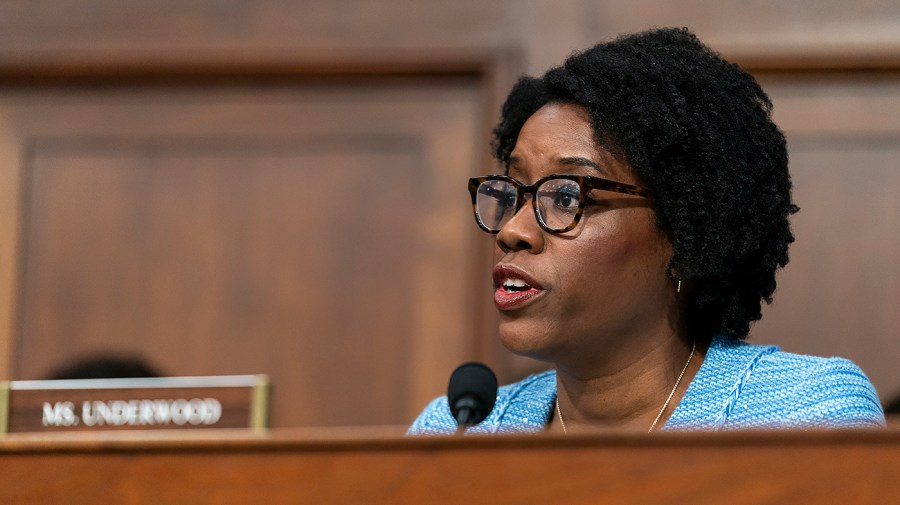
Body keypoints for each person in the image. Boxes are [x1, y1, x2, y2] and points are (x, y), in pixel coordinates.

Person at [409, 27, 885, 435]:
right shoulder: (460, 430)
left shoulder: (805, 412)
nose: (512, 230)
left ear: (685, 233)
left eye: (566, 197)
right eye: (513, 191)